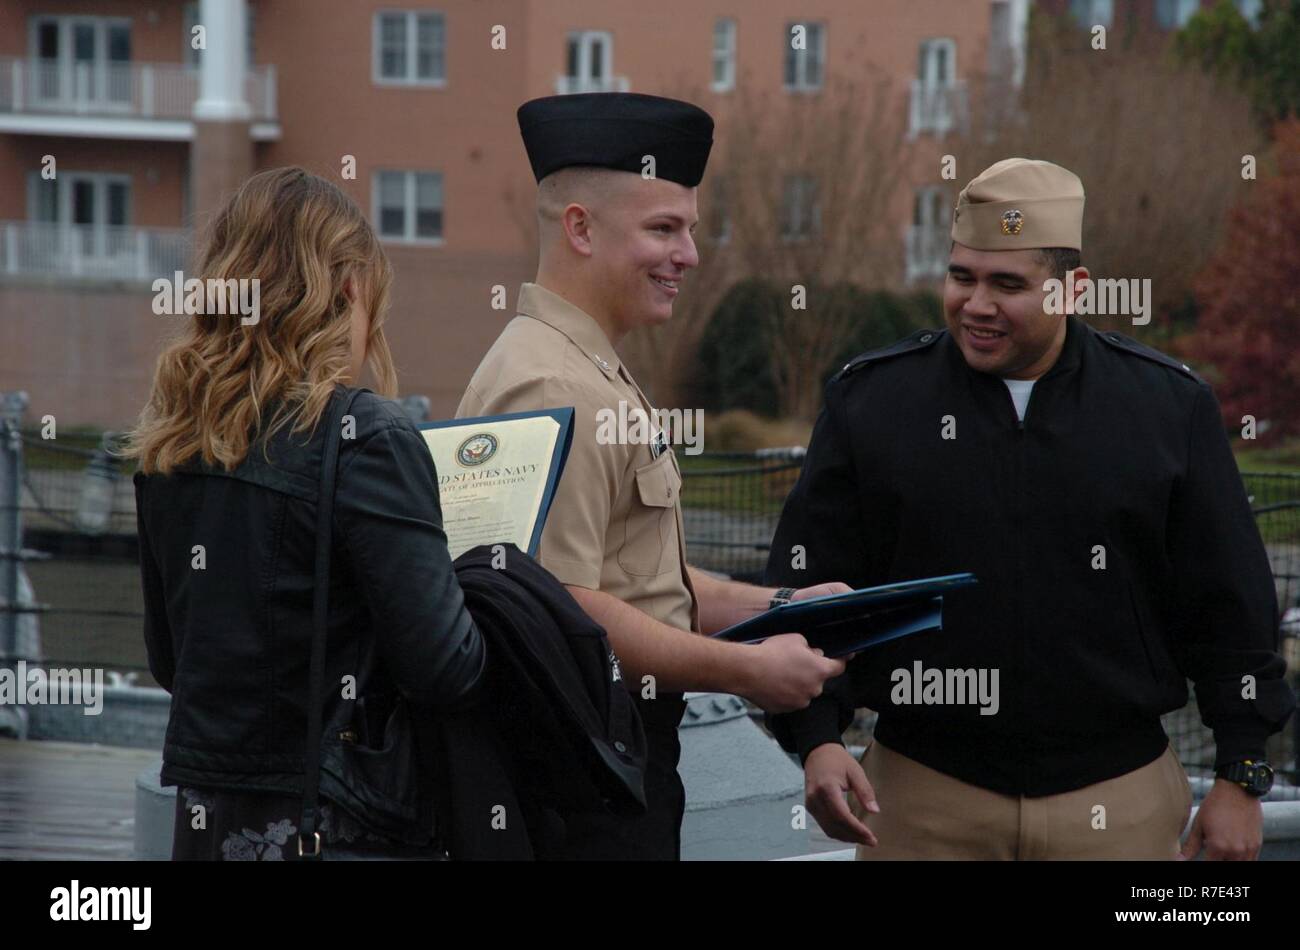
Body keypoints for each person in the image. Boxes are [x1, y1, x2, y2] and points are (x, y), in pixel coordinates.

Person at [766, 158, 1296, 860]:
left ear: (1073, 289)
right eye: (962, 277)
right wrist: (818, 740)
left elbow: (1229, 605)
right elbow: (812, 591)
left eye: (1007, 284)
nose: (976, 304)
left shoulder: (1168, 409)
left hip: (1119, 801)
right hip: (922, 799)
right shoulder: (872, 404)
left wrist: (1242, 774)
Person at [457, 92, 849, 860]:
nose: (690, 255)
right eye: (663, 229)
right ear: (580, 227)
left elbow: (635, 581)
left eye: (689, 230)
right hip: (578, 782)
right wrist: (747, 671)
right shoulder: (550, 385)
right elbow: (563, 611)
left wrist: (779, 604)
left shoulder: (582, 365)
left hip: (608, 764)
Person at [125, 167, 486, 860]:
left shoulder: (171, 443)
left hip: (211, 827)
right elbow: (446, 668)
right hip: (339, 826)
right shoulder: (367, 438)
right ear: (349, 287)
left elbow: (174, 661)